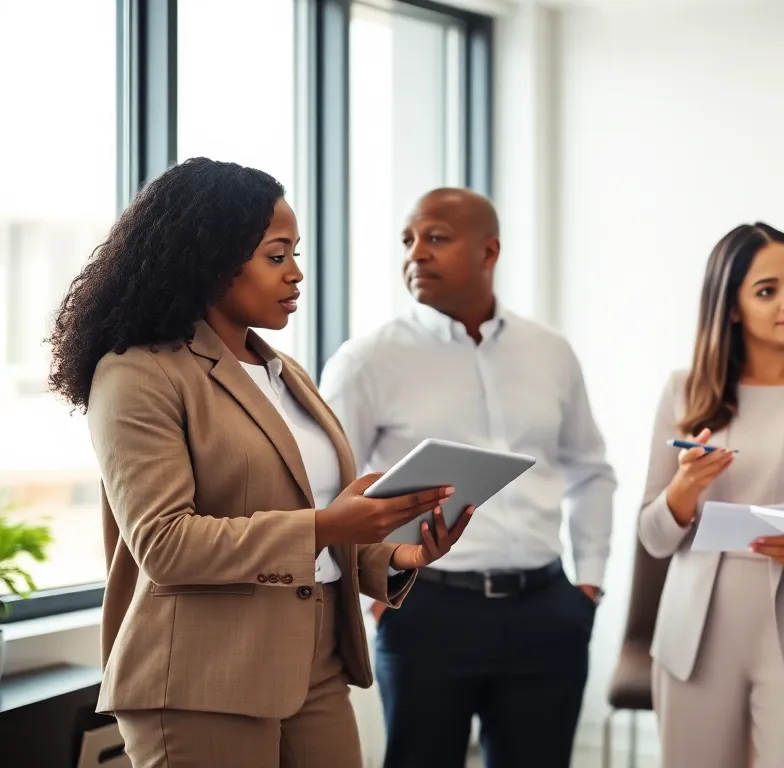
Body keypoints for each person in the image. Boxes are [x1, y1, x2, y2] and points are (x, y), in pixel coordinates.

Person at [48, 157, 469, 768]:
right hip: (202, 677)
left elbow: (315, 513)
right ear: (211, 258)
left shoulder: (282, 372)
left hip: (317, 664)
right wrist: (331, 526)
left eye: (295, 253)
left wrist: (398, 552)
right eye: (276, 256)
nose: (297, 273)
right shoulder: (138, 371)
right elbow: (165, 545)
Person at [320, 187, 616, 768]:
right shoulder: (366, 361)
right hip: (425, 612)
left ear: (490, 251)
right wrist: (375, 605)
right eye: (407, 240)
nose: (416, 254)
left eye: (436, 237)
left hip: (546, 612)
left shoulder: (551, 353)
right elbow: (330, 497)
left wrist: (589, 588)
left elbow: (591, 469)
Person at [637, 223, 784, 768]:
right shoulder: (684, 388)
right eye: (767, 290)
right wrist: (683, 490)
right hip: (696, 635)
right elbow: (651, 536)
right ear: (732, 307)